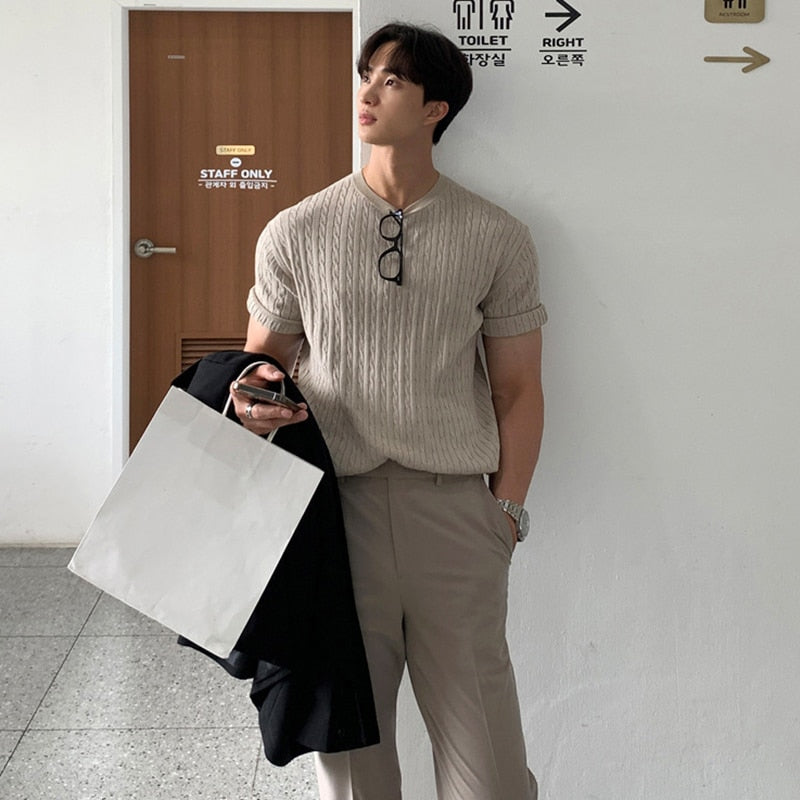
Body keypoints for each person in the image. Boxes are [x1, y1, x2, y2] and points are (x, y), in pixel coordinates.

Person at [229, 22, 546, 800]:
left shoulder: (495, 234)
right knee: (352, 762)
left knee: (492, 774)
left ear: (436, 107)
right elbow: (257, 371)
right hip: (333, 515)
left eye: (392, 80)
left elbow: (518, 390)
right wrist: (252, 402)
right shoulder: (296, 230)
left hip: (456, 516)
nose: (367, 93)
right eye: (366, 73)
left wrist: (506, 510)